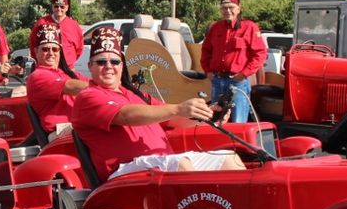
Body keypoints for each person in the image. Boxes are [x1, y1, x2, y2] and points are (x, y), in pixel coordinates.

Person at [72, 26, 245, 179]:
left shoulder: (133, 94)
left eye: (115, 61)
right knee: (179, 164)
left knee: (229, 159)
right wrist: (178, 108)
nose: (108, 66)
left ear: (122, 66)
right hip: (123, 171)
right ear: (90, 66)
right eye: (101, 61)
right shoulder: (88, 96)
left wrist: (206, 115)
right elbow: (125, 115)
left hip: (158, 163)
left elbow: (173, 119)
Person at [200, 0, 267, 122]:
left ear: (239, 8)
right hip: (217, 81)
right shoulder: (216, 28)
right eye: (224, 8)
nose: (227, 11)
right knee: (217, 121)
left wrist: (244, 74)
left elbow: (260, 54)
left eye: (231, 7)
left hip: (238, 83)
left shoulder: (249, 27)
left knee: (238, 122)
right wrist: (208, 72)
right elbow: (206, 51)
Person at [26, 21, 88, 137]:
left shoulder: (68, 74)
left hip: (76, 126)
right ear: (36, 51)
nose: (51, 53)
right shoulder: (38, 76)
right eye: (45, 49)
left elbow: (89, 83)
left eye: (55, 49)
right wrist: (102, 89)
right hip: (60, 131)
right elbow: (70, 86)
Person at [31, 0, 84, 68]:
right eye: (56, 6)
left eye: (62, 6)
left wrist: (69, 61)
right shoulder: (41, 23)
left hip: (68, 69)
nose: (59, 9)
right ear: (52, 6)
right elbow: (33, 45)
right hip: (47, 69)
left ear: (67, 7)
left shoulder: (74, 25)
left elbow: (79, 49)